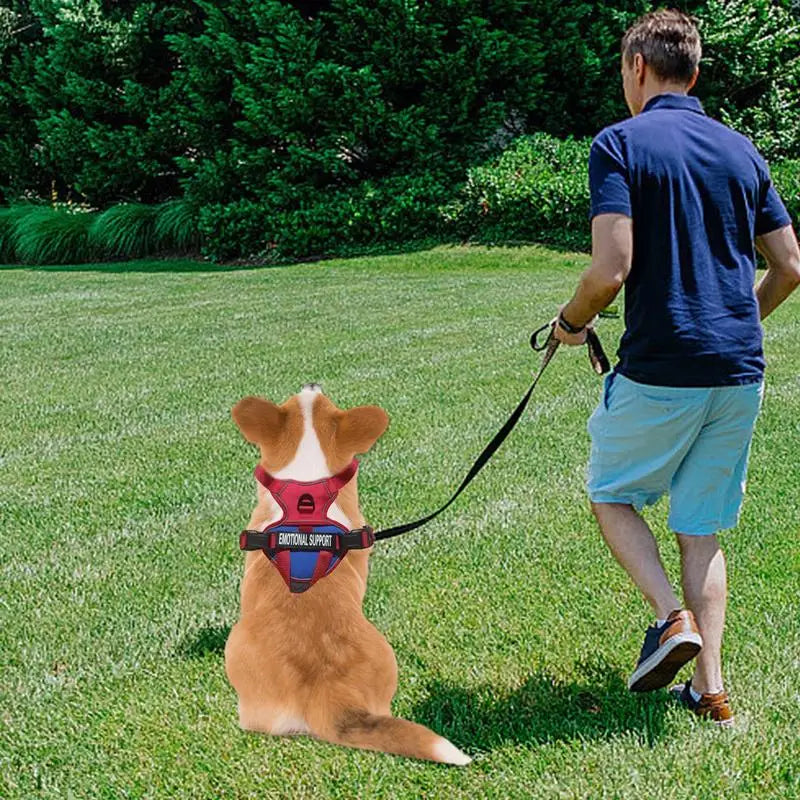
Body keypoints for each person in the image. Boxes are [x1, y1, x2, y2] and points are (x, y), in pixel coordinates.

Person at [553, 9, 800, 726]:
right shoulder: (741, 150)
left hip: (662, 367)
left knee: (610, 493)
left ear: (638, 68)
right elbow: (788, 266)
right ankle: (711, 693)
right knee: (701, 527)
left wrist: (572, 323)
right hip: (738, 373)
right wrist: (738, 324)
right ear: (693, 73)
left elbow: (611, 266)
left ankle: (671, 618)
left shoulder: (619, 143)